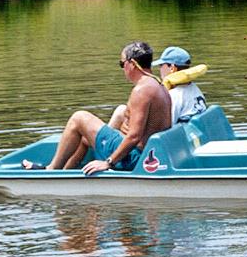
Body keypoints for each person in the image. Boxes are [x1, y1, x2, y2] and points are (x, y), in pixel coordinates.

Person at [23, 41, 172, 174]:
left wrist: (108, 162)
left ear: (131, 64)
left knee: (79, 118)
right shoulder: (160, 86)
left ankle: (51, 170)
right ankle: (66, 174)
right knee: (86, 137)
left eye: (122, 64)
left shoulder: (141, 90)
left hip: (134, 158)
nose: (123, 69)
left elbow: (134, 136)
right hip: (148, 153)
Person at [152, 45, 207, 127]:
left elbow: (166, 127)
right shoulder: (194, 87)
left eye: (161, 65)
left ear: (172, 68)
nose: (160, 69)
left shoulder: (174, 95)